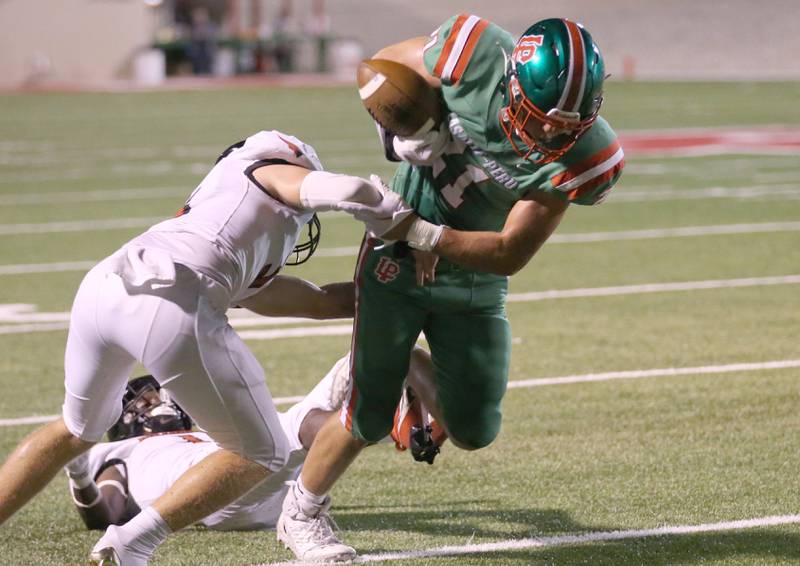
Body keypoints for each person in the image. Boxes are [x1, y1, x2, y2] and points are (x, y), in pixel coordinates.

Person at [277, 14, 626, 562]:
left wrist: (424, 234)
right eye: (541, 119)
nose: (551, 135)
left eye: (568, 125)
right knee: (369, 413)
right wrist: (404, 134)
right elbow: (381, 72)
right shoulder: (477, 56)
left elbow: (508, 253)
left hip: (469, 269)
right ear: (512, 86)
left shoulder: (587, 159)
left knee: (473, 429)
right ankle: (301, 513)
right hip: (396, 257)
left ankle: (411, 368)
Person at [0, 129, 405, 565]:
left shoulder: (227, 228)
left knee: (76, 430)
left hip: (104, 285)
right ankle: (132, 542)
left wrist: (401, 294)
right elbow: (348, 191)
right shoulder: (266, 169)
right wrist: (387, 211)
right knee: (263, 452)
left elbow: (320, 302)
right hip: (172, 295)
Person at [66, 346, 441, 535]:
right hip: (212, 494)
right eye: (146, 401)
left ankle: (406, 420)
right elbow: (105, 516)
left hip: (254, 475)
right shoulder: (121, 452)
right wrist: (80, 475)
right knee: (287, 429)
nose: (161, 403)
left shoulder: (202, 431)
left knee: (371, 356)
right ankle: (393, 421)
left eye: (163, 397)